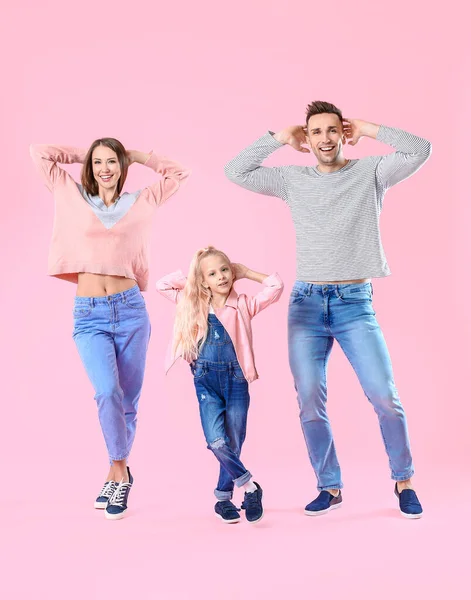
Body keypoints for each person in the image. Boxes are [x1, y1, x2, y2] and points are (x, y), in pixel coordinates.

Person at [224, 101, 432, 519]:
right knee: (309, 403)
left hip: (354, 302)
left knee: (384, 397)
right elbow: (236, 171)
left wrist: (370, 128)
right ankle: (329, 487)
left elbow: (420, 149)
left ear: (342, 133)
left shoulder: (371, 173)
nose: (324, 138)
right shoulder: (292, 179)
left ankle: (403, 480)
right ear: (307, 137)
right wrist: (280, 138)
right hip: (306, 304)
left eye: (333, 130)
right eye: (315, 131)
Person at [30, 138, 189, 519]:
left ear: (122, 166)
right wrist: (85, 155)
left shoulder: (142, 200)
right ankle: (120, 467)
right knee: (106, 392)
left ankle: (115, 474)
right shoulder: (71, 194)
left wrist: (138, 156)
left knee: (128, 400)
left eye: (112, 162)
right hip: (89, 315)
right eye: (98, 162)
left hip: (131, 310)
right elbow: (40, 153)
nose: (105, 168)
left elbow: (178, 172)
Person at [156, 246, 283, 523]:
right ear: (203, 281)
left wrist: (247, 272)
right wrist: (195, 279)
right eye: (212, 274)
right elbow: (162, 285)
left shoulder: (244, 305)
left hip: (236, 380)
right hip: (206, 382)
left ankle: (223, 499)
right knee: (216, 441)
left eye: (225, 270)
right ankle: (250, 486)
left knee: (233, 442)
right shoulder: (193, 304)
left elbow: (275, 286)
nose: (222, 276)